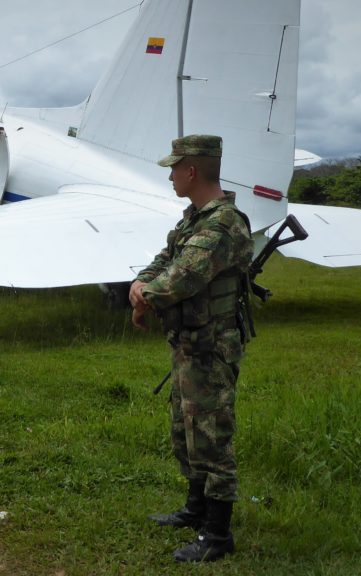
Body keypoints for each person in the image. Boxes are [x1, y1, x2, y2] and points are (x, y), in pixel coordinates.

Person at [129, 135, 253, 564]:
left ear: (192, 171)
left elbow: (182, 278)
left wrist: (145, 296)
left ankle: (217, 535)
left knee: (212, 438)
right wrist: (139, 283)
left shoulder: (222, 225)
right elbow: (164, 260)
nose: (170, 176)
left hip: (211, 348)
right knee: (186, 432)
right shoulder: (193, 220)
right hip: (188, 342)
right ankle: (196, 510)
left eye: (174, 169)